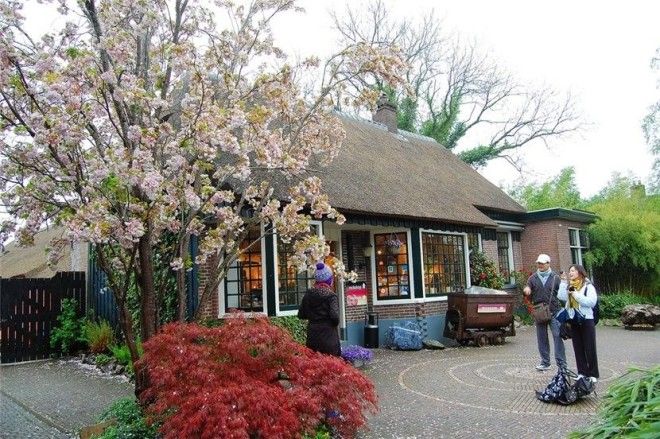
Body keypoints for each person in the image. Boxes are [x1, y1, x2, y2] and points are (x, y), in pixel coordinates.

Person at [523, 253, 566, 371]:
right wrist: (526, 290)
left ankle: (562, 364)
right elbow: (527, 290)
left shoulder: (556, 278)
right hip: (540, 312)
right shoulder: (532, 278)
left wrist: (565, 284)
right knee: (541, 337)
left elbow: (563, 295)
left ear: (548, 263)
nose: (540, 265)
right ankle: (545, 362)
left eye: (542, 263)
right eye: (538, 263)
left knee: (558, 337)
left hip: (554, 311)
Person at [558, 264, 599, 383]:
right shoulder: (571, 286)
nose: (570, 273)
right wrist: (563, 282)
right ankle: (582, 372)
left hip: (586, 320)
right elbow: (561, 297)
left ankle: (593, 374)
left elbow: (591, 302)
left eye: (573, 271)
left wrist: (575, 294)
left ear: (580, 272)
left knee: (589, 347)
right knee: (578, 347)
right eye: (569, 270)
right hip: (574, 319)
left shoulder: (588, 286)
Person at [297, 262, 341, 356]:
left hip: (313, 337)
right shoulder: (331, 296)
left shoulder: (308, 294)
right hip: (329, 337)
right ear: (329, 280)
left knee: (314, 366)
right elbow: (335, 316)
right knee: (331, 366)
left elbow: (301, 315)